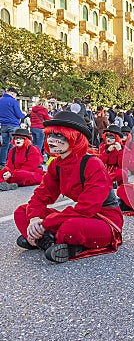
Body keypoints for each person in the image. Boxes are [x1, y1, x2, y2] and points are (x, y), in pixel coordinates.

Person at [14, 111, 123, 263]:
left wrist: (46, 223)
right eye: (50, 134)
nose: (51, 139)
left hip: (104, 219)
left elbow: (87, 208)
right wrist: (34, 219)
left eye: (59, 135)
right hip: (80, 215)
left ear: (75, 137)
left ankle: (49, 241)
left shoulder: (92, 163)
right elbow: (41, 196)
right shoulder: (56, 165)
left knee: (70, 228)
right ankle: (51, 241)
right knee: (22, 212)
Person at [0, 88, 24, 168]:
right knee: (14, 144)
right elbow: (19, 114)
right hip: (13, 125)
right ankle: (13, 162)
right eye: (15, 95)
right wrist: (23, 116)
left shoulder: (0, 100)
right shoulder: (13, 101)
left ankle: (2, 163)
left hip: (3, 125)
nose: (15, 97)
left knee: (5, 144)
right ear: (13, 93)